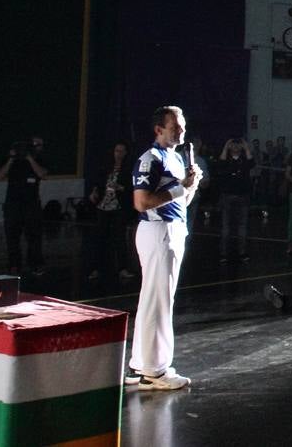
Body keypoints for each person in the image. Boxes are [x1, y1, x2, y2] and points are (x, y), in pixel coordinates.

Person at [128, 106, 202, 391]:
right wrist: (181, 187)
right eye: (175, 127)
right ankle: (156, 370)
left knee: (153, 300)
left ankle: (139, 364)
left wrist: (191, 186)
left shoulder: (175, 157)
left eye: (182, 126)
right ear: (159, 129)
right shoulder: (151, 158)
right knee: (160, 301)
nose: (181, 131)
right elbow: (142, 202)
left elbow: (180, 201)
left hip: (172, 229)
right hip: (158, 233)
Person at [0, 137, 48, 276]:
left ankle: (36, 264)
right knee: (12, 236)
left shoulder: (39, 159)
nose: (37, 147)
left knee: (34, 237)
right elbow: (0, 176)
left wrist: (30, 159)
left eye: (39, 145)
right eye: (34, 145)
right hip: (13, 204)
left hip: (31, 204)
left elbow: (42, 174)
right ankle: (14, 265)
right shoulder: (13, 161)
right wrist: (12, 158)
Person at [88, 141, 135, 281]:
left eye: (121, 151)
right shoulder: (107, 167)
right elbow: (98, 182)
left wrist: (121, 188)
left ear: (125, 153)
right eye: (116, 151)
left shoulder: (128, 169)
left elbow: (132, 188)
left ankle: (122, 268)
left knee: (119, 238)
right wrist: (95, 192)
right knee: (100, 238)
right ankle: (97, 268)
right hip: (103, 205)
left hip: (118, 206)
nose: (118, 154)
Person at [212, 138, 254, 264]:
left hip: (243, 195)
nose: (235, 146)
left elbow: (252, 163)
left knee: (242, 225)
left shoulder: (244, 160)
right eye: (233, 145)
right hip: (227, 195)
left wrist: (246, 148)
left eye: (238, 145)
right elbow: (220, 164)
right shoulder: (226, 159)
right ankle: (223, 253)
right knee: (226, 226)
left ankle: (242, 252)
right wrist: (226, 147)